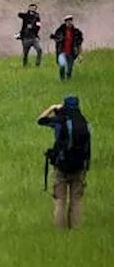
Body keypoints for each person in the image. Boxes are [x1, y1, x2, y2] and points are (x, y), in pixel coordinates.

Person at [38, 95, 91, 229]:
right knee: (76, 201)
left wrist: (52, 108)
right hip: (79, 166)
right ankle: (75, 229)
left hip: (62, 165)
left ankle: (59, 231)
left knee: (60, 200)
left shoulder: (60, 121)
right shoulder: (84, 122)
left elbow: (40, 120)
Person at [50, 15, 83, 81]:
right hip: (62, 52)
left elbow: (79, 44)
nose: (69, 23)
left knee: (70, 69)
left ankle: (68, 80)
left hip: (71, 53)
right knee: (62, 66)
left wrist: (80, 54)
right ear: (65, 22)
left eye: (70, 21)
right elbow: (56, 38)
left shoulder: (76, 32)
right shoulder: (60, 31)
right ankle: (62, 79)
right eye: (67, 21)